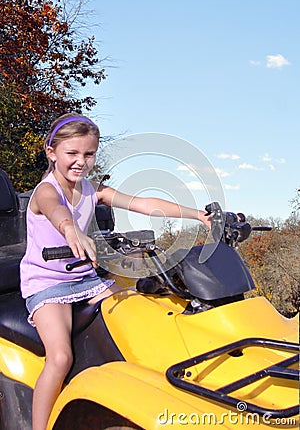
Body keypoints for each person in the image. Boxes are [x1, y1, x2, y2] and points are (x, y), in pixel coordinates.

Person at [20, 113, 212, 430]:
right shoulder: (46, 190)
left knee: (139, 309)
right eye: (72, 153)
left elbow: (141, 203)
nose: (81, 161)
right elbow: (55, 210)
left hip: (85, 278)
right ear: (52, 152)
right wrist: (71, 231)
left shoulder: (91, 189)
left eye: (89, 154)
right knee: (60, 358)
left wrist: (197, 214)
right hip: (48, 284)